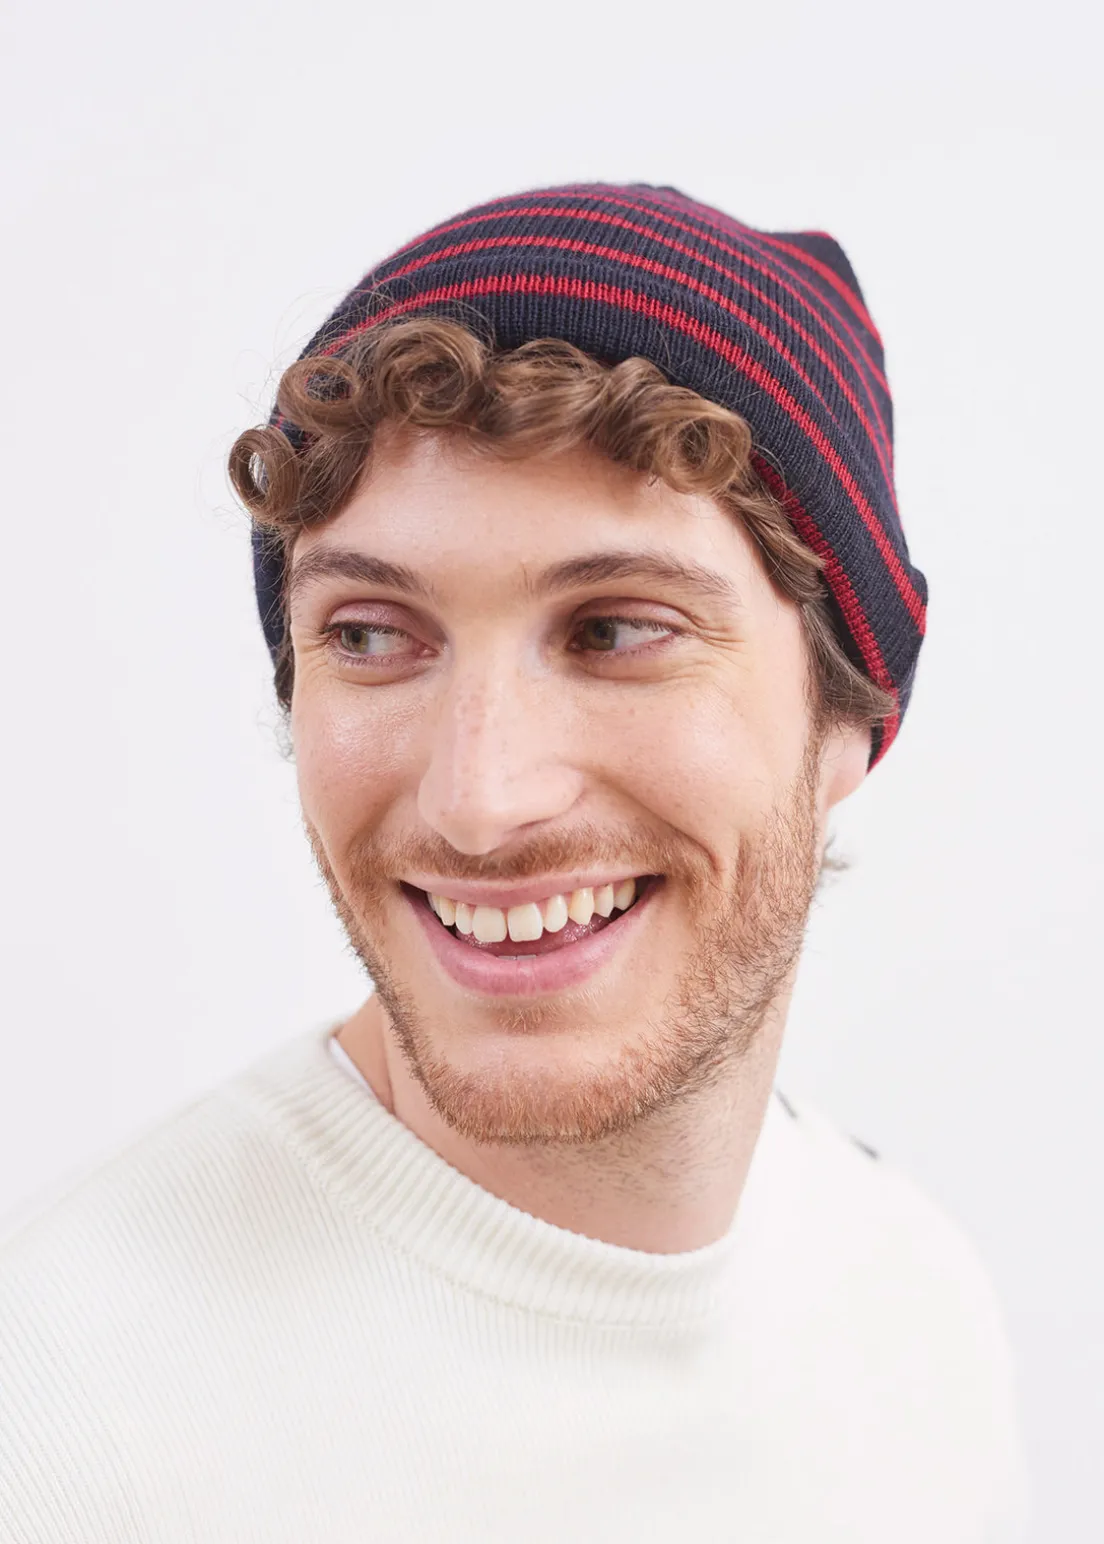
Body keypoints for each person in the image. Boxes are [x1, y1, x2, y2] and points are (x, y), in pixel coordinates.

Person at [0, 183, 1028, 1542]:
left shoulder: (916, 1310)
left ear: (851, 714)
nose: (480, 802)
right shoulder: (57, 1421)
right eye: (372, 635)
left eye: (616, 631)